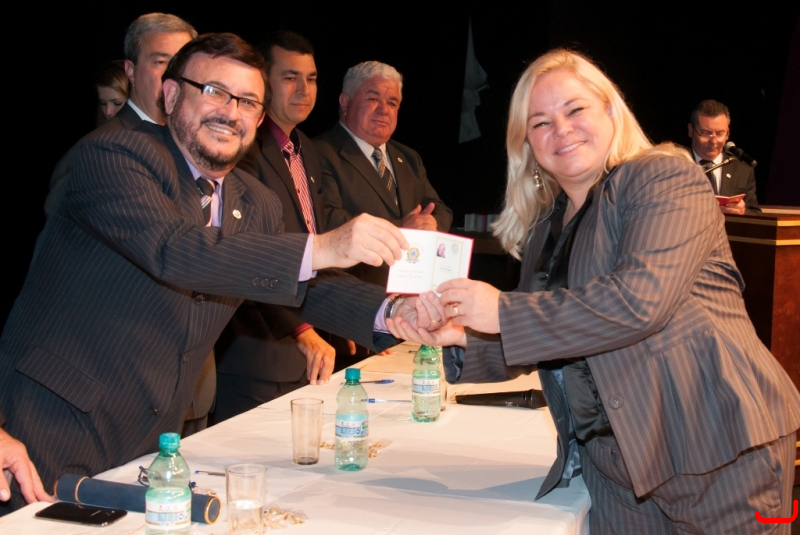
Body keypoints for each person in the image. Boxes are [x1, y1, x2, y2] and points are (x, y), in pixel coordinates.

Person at [0, 32, 431, 515]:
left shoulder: (257, 202)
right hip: (44, 431)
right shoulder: (114, 157)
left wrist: (396, 313)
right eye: (214, 92)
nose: (231, 112)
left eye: (248, 101)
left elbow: (303, 288)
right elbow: (175, 250)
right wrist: (326, 245)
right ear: (170, 95)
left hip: (151, 444)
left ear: (260, 118)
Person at [388, 49, 800, 534]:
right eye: (540, 122)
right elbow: (556, 334)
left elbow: (637, 302)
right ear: (527, 144)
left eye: (575, 109)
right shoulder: (546, 224)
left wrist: (499, 310)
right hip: (615, 466)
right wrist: (460, 334)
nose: (560, 129)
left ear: (610, 110)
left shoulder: (664, 178)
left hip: (717, 449)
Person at [213, 31, 342, 422]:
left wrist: (345, 318)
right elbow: (248, 254)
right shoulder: (243, 147)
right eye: (290, 77)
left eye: (312, 78)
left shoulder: (308, 149)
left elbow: (313, 244)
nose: (304, 89)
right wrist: (299, 329)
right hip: (257, 355)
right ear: (264, 82)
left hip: (309, 351)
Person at [316, 60, 453, 287]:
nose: (384, 110)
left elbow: (439, 208)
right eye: (373, 99)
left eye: (392, 102)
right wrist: (400, 230)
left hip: (413, 291)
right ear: (345, 102)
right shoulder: (320, 152)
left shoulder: (408, 157)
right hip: (352, 293)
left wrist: (429, 225)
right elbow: (328, 218)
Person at [688, 99, 760, 214]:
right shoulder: (676, 165)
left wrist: (742, 212)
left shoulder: (742, 170)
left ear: (728, 134)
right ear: (691, 130)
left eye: (720, 133)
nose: (713, 141)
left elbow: (755, 213)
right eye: (706, 133)